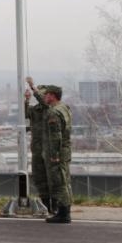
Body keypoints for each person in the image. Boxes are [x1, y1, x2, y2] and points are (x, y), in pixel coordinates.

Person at [43, 86, 73, 224]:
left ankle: (63, 213)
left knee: (59, 182)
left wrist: (54, 154)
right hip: (65, 150)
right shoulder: (64, 108)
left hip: (58, 151)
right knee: (65, 181)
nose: (44, 97)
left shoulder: (54, 112)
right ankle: (65, 211)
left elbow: (56, 135)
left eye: (46, 95)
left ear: (52, 96)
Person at [25, 77, 53, 213]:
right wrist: (26, 100)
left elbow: (44, 102)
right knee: (39, 177)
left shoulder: (50, 108)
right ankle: (46, 205)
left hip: (48, 149)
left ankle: (56, 205)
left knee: (52, 178)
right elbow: (25, 114)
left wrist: (32, 86)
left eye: (42, 94)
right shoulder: (36, 110)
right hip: (37, 149)